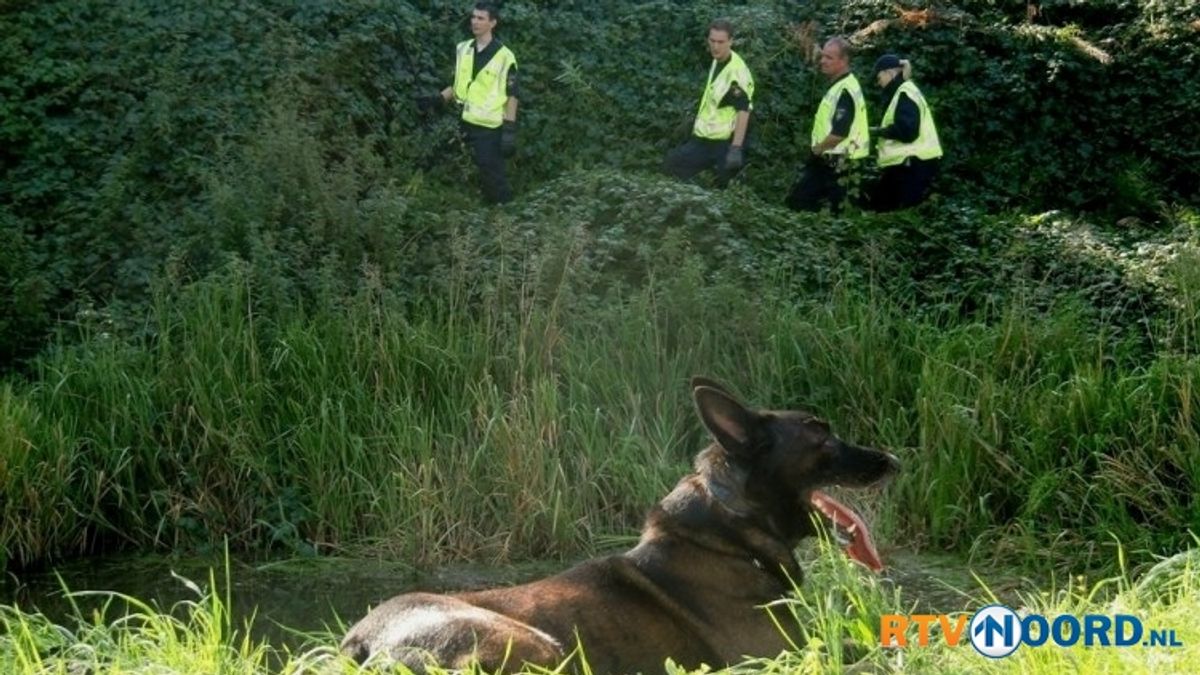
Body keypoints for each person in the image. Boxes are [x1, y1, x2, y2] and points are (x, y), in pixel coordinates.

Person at [440, 2, 519, 205]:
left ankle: (504, 217)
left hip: (489, 127)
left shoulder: (505, 56)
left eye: (481, 18)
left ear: (492, 23)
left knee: (492, 174)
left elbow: (512, 95)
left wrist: (509, 129)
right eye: (473, 17)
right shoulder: (463, 48)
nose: (474, 22)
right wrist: (438, 98)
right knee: (455, 167)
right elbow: (458, 85)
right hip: (463, 120)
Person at [663, 19, 755, 188]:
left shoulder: (736, 72)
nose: (715, 46)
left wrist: (736, 148)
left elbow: (744, 110)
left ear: (731, 41)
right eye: (712, 41)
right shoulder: (717, 61)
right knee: (673, 164)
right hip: (704, 139)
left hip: (724, 143)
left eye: (721, 42)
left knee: (724, 190)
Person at [786, 37, 870, 213]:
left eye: (829, 58)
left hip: (842, 164)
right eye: (823, 56)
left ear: (844, 61)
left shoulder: (845, 91)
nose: (822, 61)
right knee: (798, 203)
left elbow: (839, 133)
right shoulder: (839, 86)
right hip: (830, 160)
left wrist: (817, 149)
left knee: (835, 214)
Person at [869, 54, 943, 211]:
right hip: (910, 164)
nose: (878, 82)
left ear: (890, 73)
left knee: (886, 209)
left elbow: (908, 131)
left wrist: (878, 132)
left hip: (912, 165)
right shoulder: (903, 91)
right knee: (883, 207)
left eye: (879, 77)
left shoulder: (904, 93)